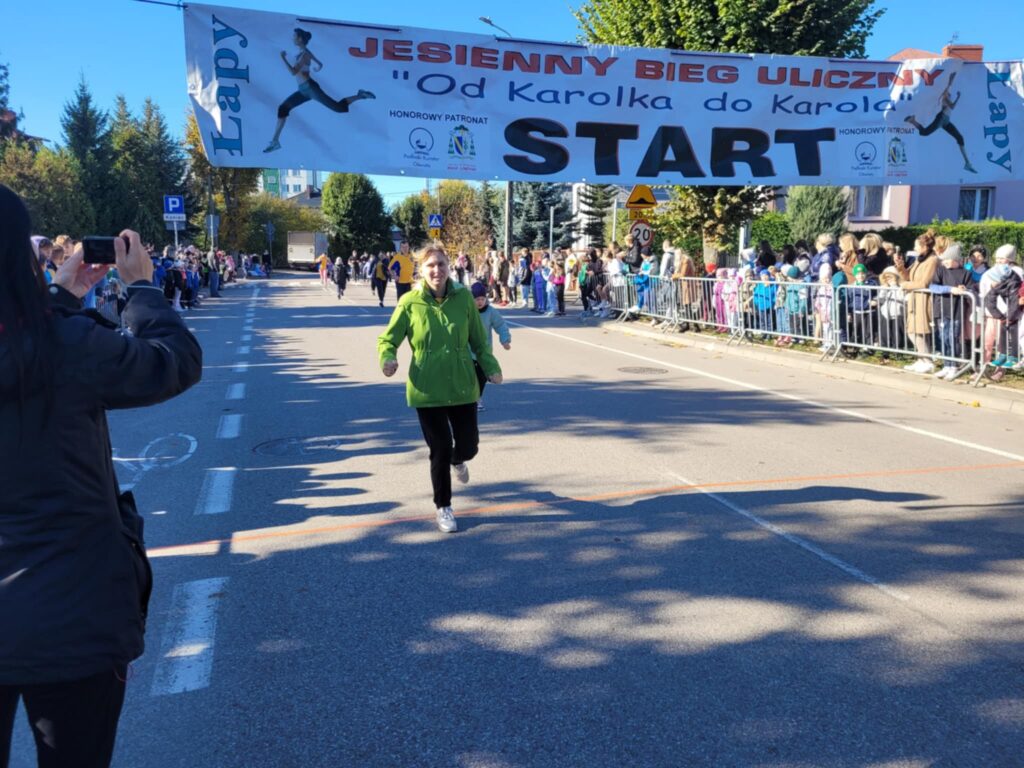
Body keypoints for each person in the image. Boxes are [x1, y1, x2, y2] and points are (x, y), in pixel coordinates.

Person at [0, 184, 202, 767]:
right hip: (71, 616)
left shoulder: (59, 339)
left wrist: (61, 300)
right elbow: (174, 362)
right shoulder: (66, 348)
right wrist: (140, 287)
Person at [377, 247, 502, 533]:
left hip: (462, 384)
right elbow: (388, 339)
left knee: (468, 446)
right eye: (431, 265)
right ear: (422, 269)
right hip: (427, 388)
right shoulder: (410, 302)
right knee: (441, 448)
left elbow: (479, 342)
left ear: (450, 266)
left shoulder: (463, 300)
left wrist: (491, 366)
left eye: (442, 264)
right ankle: (443, 506)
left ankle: (459, 460)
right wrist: (388, 358)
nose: (437, 270)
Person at [264, 28, 375, 153]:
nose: (292, 38)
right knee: (283, 108)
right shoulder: (304, 52)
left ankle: (360, 95)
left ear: (300, 39)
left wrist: (282, 58)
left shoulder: (304, 55)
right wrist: (317, 66)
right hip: (302, 91)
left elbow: (293, 72)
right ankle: (275, 141)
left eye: (294, 36)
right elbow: (319, 63)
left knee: (338, 108)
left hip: (310, 89)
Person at [904, 71, 977, 174]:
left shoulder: (947, 92)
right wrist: (958, 97)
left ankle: (967, 163)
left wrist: (953, 75)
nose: (948, 91)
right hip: (941, 118)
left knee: (960, 137)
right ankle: (913, 121)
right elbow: (952, 106)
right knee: (924, 132)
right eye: (946, 90)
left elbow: (949, 84)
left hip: (946, 121)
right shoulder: (945, 97)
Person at [898, 230, 941, 374]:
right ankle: (921, 358)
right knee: (912, 330)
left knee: (919, 330)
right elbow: (908, 276)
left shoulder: (932, 260)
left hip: (924, 298)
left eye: (917, 246)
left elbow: (924, 283)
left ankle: (927, 361)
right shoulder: (919, 259)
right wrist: (900, 267)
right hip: (914, 297)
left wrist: (905, 286)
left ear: (924, 247)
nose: (915, 248)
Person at [469, 282, 511, 411]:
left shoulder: (491, 312)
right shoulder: (467, 311)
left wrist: (505, 340)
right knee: (470, 376)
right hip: (467, 351)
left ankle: (478, 397)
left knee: (481, 378)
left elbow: (500, 325)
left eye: (482, 299)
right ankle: (470, 399)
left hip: (484, 352)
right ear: (472, 299)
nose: (480, 302)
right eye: (477, 299)